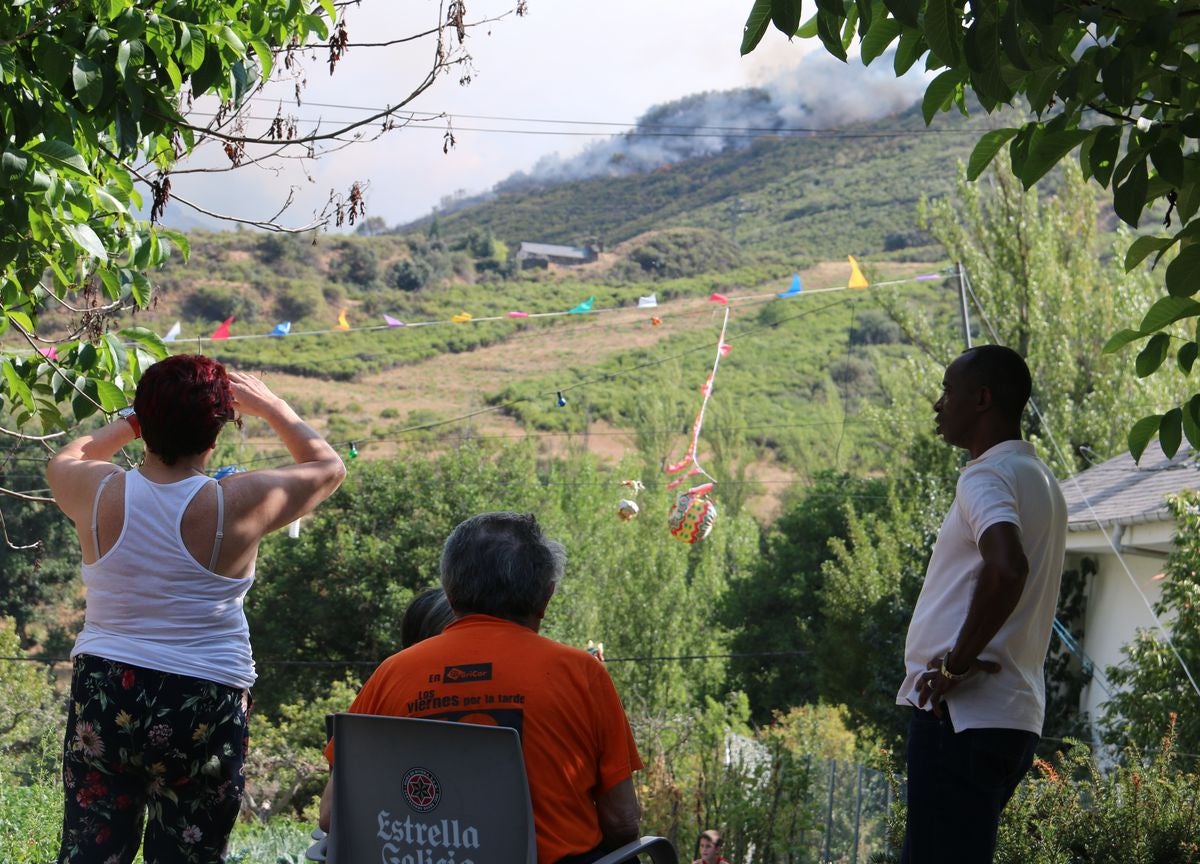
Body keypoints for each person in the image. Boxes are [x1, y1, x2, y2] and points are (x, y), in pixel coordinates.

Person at [46, 355, 346, 864]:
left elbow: (69, 454)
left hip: (105, 689)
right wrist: (271, 406)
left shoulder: (95, 490)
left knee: (89, 855)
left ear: (144, 424)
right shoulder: (239, 501)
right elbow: (328, 467)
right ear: (217, 432)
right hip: (204, 700)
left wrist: (132, 419)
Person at [320, 511, 643, 864]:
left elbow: (332, 816)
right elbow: (621, 821)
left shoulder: (391, 675)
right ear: (546, 596)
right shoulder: (582, 674)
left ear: (450, 590)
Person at [896, 345, 1066, 864]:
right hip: (1009, 716)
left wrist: (953, 664)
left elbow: (1007, 566)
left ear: (983, 399)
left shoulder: (985, 477)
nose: (938, 404)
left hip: (962, 715)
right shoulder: (1042, 481)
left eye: (949, 391)